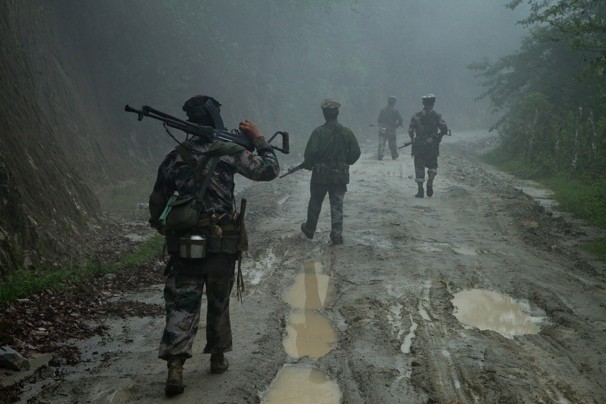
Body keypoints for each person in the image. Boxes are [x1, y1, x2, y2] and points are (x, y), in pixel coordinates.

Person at [148, 95, 279, 397]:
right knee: (218, 300)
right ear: (214, 118)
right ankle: (218, 356)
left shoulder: (176, 155)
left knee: (182, 303)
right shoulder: (230, 152)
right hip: (221, 241)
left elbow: (157, 199)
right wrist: (260, 141)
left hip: (186, 242)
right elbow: (269, 170)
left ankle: (176, 368)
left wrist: (160, 225)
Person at [300, 99, 361, 245]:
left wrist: (308, 165)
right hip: (340, 175)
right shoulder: (347, 132)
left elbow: (311, 152)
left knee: (315, 201)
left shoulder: (318, 132)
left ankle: (309, 229)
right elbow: (356, 152)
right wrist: (346, 162)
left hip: (320, 175)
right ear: (337, 113)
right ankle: (337, 235)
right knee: (337, 205)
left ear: (324, 114)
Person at [407, 94, 448, 198]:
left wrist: (413, 140)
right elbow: (444, 129)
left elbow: (410, 130)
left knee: (419, 167)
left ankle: (420, 190)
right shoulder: (437, 116)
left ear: (423, 103)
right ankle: (430, 181)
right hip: (432, 146)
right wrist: (438, 138)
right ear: (433, 103)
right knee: (433, 165)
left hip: (419, 146)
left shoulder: (416, 116)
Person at [376, 96, 403, 160]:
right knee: (392, 143)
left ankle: (380, 155)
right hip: (391, 129)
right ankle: (394, 155)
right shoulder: (395, 111)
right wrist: (396, 126)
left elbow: (379, 120)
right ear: (394, 103)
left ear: (388, 102)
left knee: (382, 142)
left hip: (383, 128)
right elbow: (401, 120)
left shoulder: (383, 110)